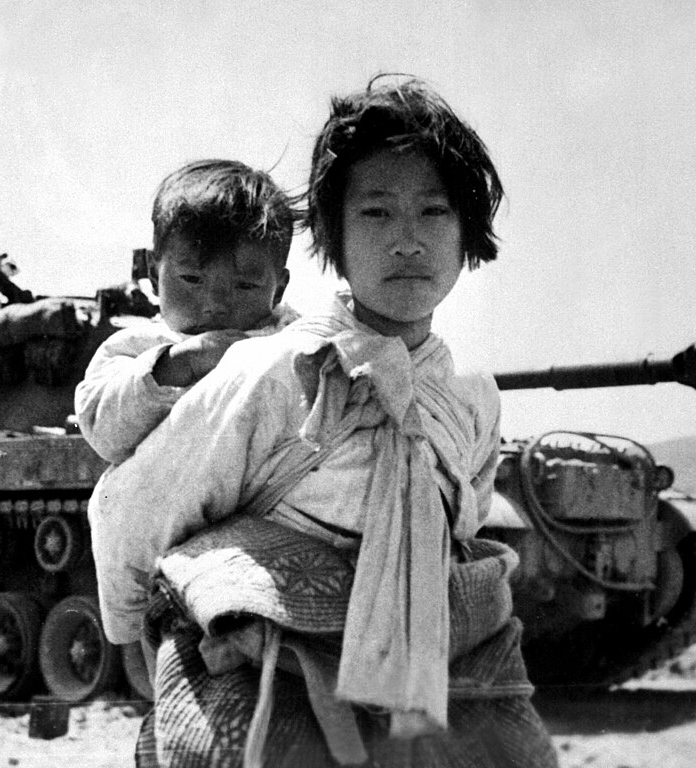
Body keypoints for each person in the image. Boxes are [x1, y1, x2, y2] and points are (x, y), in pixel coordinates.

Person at [90, 78, 558, 767]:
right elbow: (138, 504)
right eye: (374, 214)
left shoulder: (472, 395)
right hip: (269, 664)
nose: (406, 241)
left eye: (433, 212)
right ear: (333, 238)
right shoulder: (269, 372)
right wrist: (135, 635)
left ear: (468, 237)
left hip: (430, 664)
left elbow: (462, 520)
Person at [74, 158, 297, 467]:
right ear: (154, 274)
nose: (216, 305)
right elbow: (102, 429)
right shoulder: (136, 349)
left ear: (279, 289)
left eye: (244, 286)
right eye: (192, 279)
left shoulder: (294, 345)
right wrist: (176, 365)